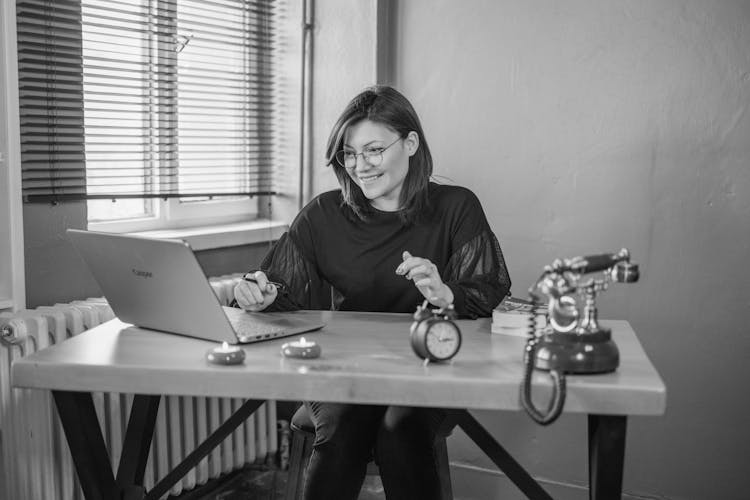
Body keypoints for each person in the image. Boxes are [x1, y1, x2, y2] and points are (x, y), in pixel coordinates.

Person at [234, 85, 511, 500]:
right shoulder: (325, 213)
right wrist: (258, 293)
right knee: (343, 429)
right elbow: (278, 287)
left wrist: (445, 294)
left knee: (398, 432)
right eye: (349, 153)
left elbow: (488, 289)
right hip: (343, 369)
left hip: (429, 368)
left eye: (374, 150)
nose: (359, 166)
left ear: (411, 142)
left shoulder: (457, 207)